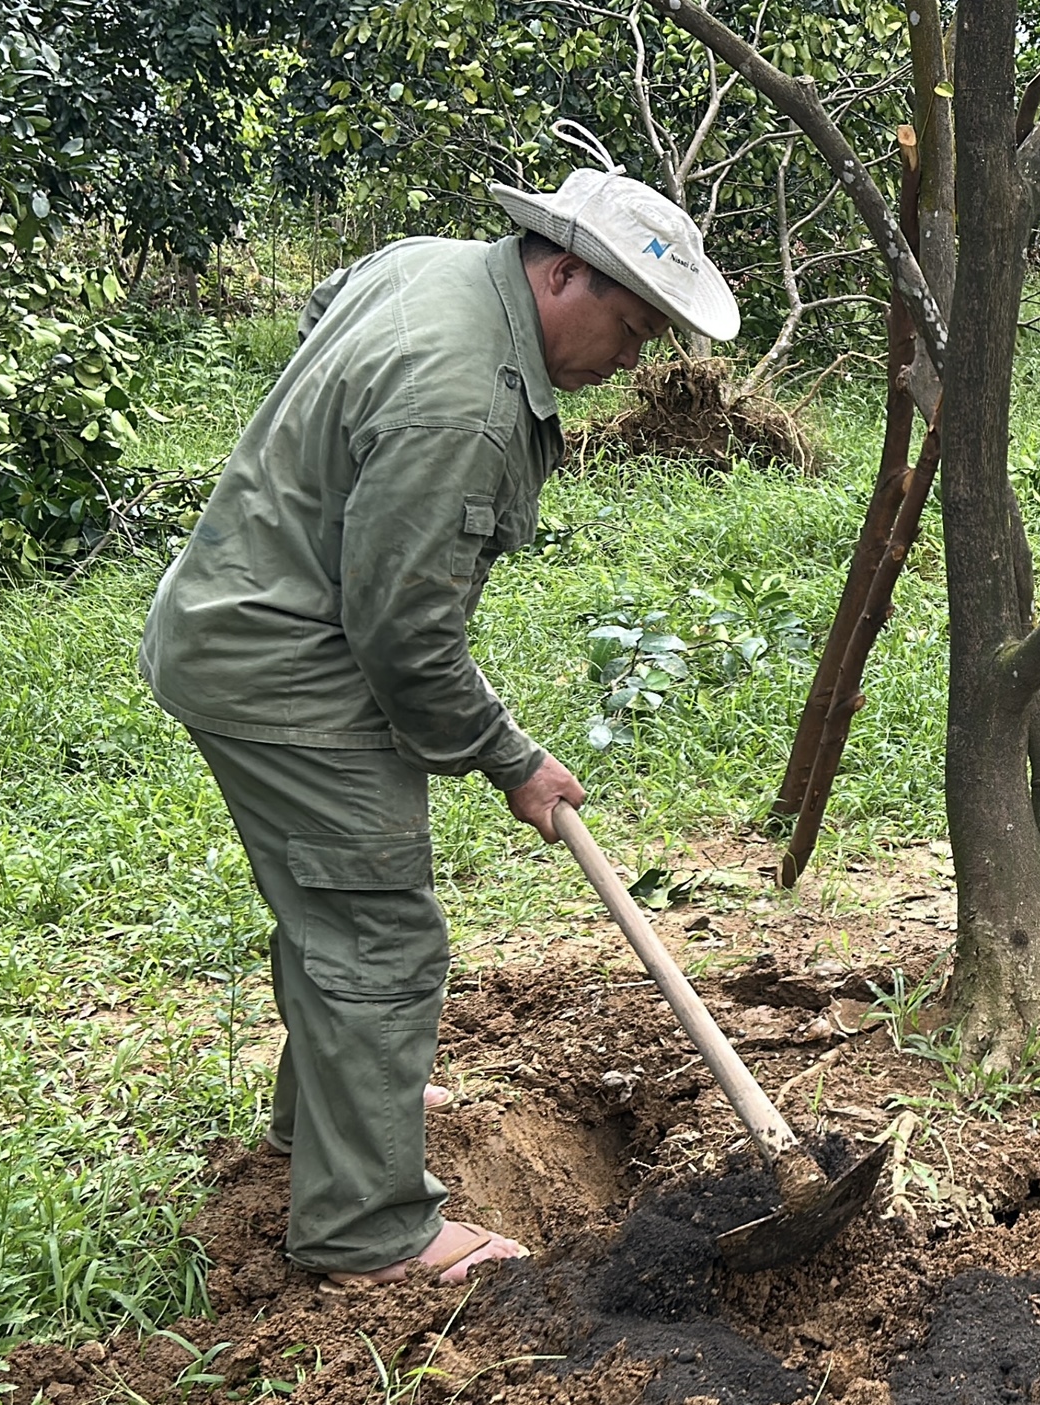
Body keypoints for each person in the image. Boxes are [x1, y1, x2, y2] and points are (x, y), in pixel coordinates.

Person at [138, 140, 738, 1288]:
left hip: (241, 617)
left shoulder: (430, 264)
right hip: (286, 665)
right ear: (563, 273)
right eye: (632, 327)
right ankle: (369, 1228)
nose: (633, 359)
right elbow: (405, 636)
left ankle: (343, 1107)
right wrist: (511, 757)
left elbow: (325, 314)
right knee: (377, 932)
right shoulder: (462, 403)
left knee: (332, 907)